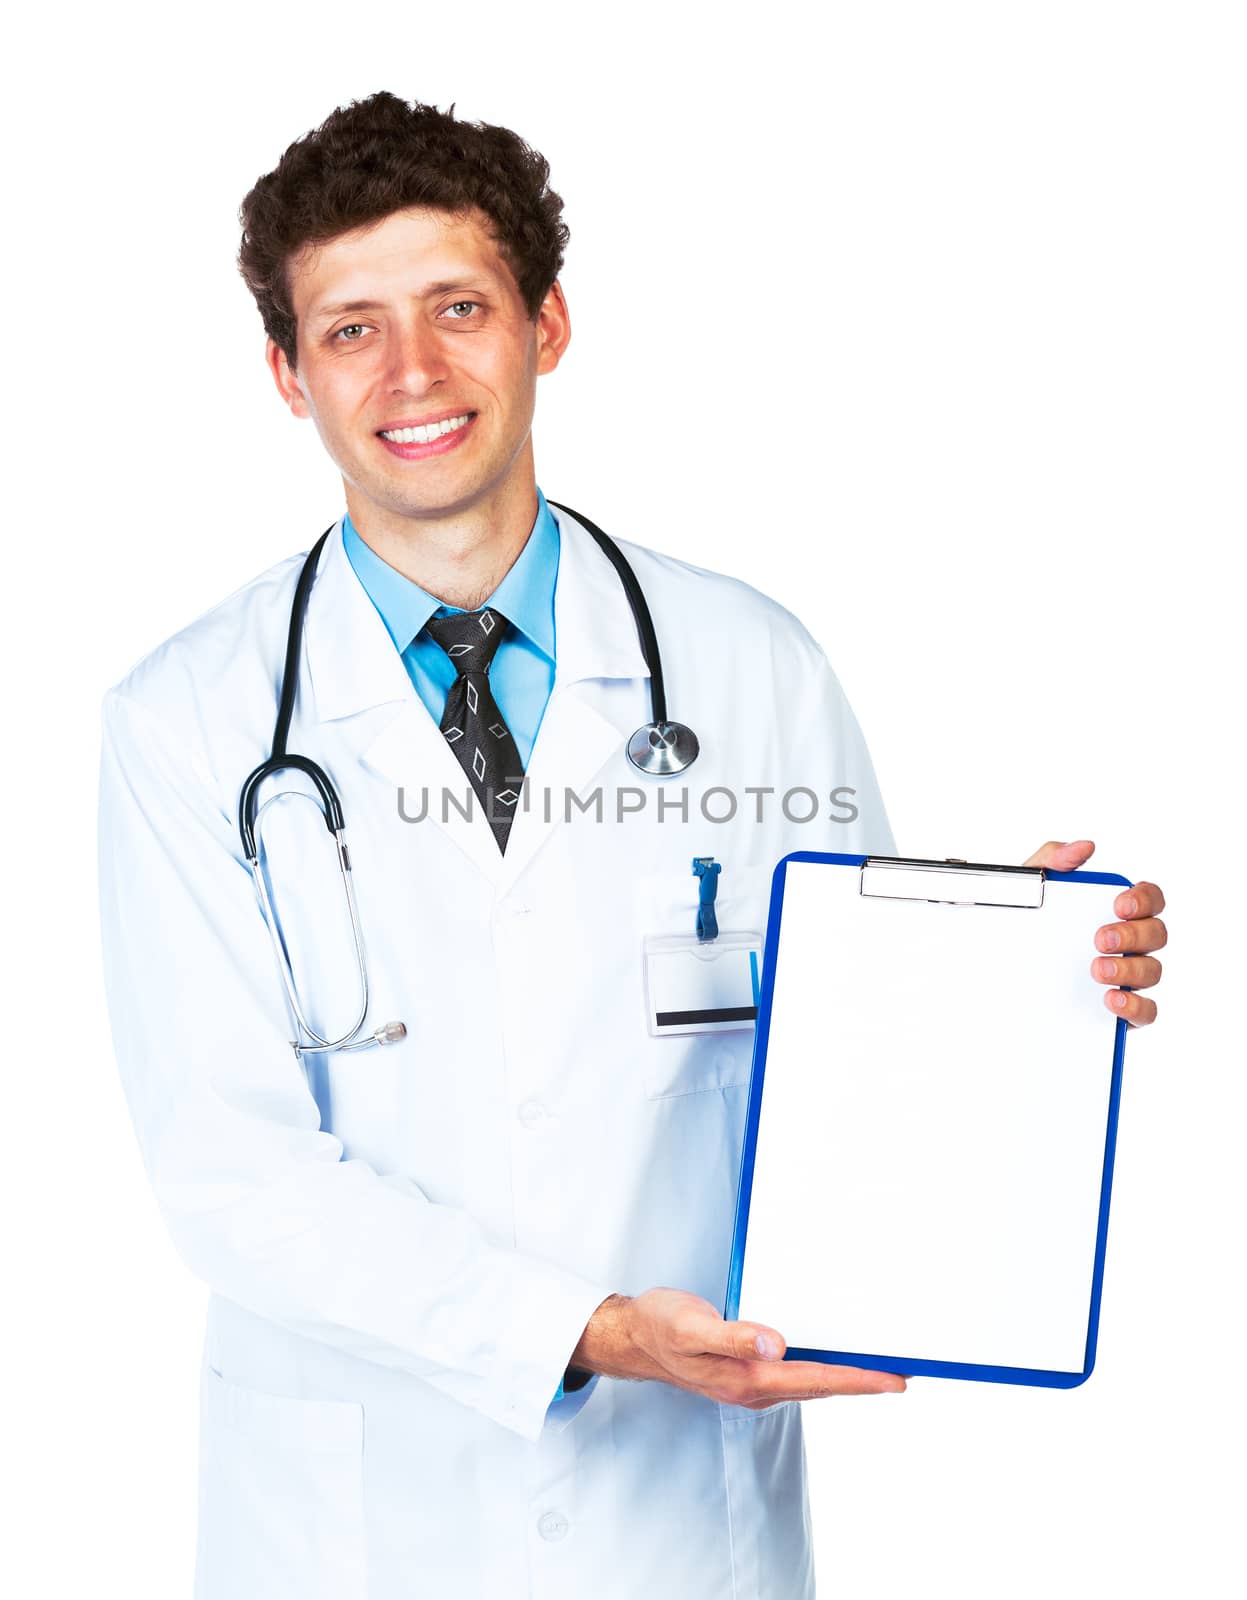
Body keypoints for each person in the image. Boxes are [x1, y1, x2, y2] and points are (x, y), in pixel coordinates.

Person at [96, 92, 1167, 1600]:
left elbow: (860, 1074)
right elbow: (231, 1175)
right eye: (351, 329)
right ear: (287, 374)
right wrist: (581, 1331)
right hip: (352, 1528)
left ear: (548, 324)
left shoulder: (749, 667)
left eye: (460, 308)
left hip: (684, 1530)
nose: (413, 373)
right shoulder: (187, 723)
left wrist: (1023, 982)